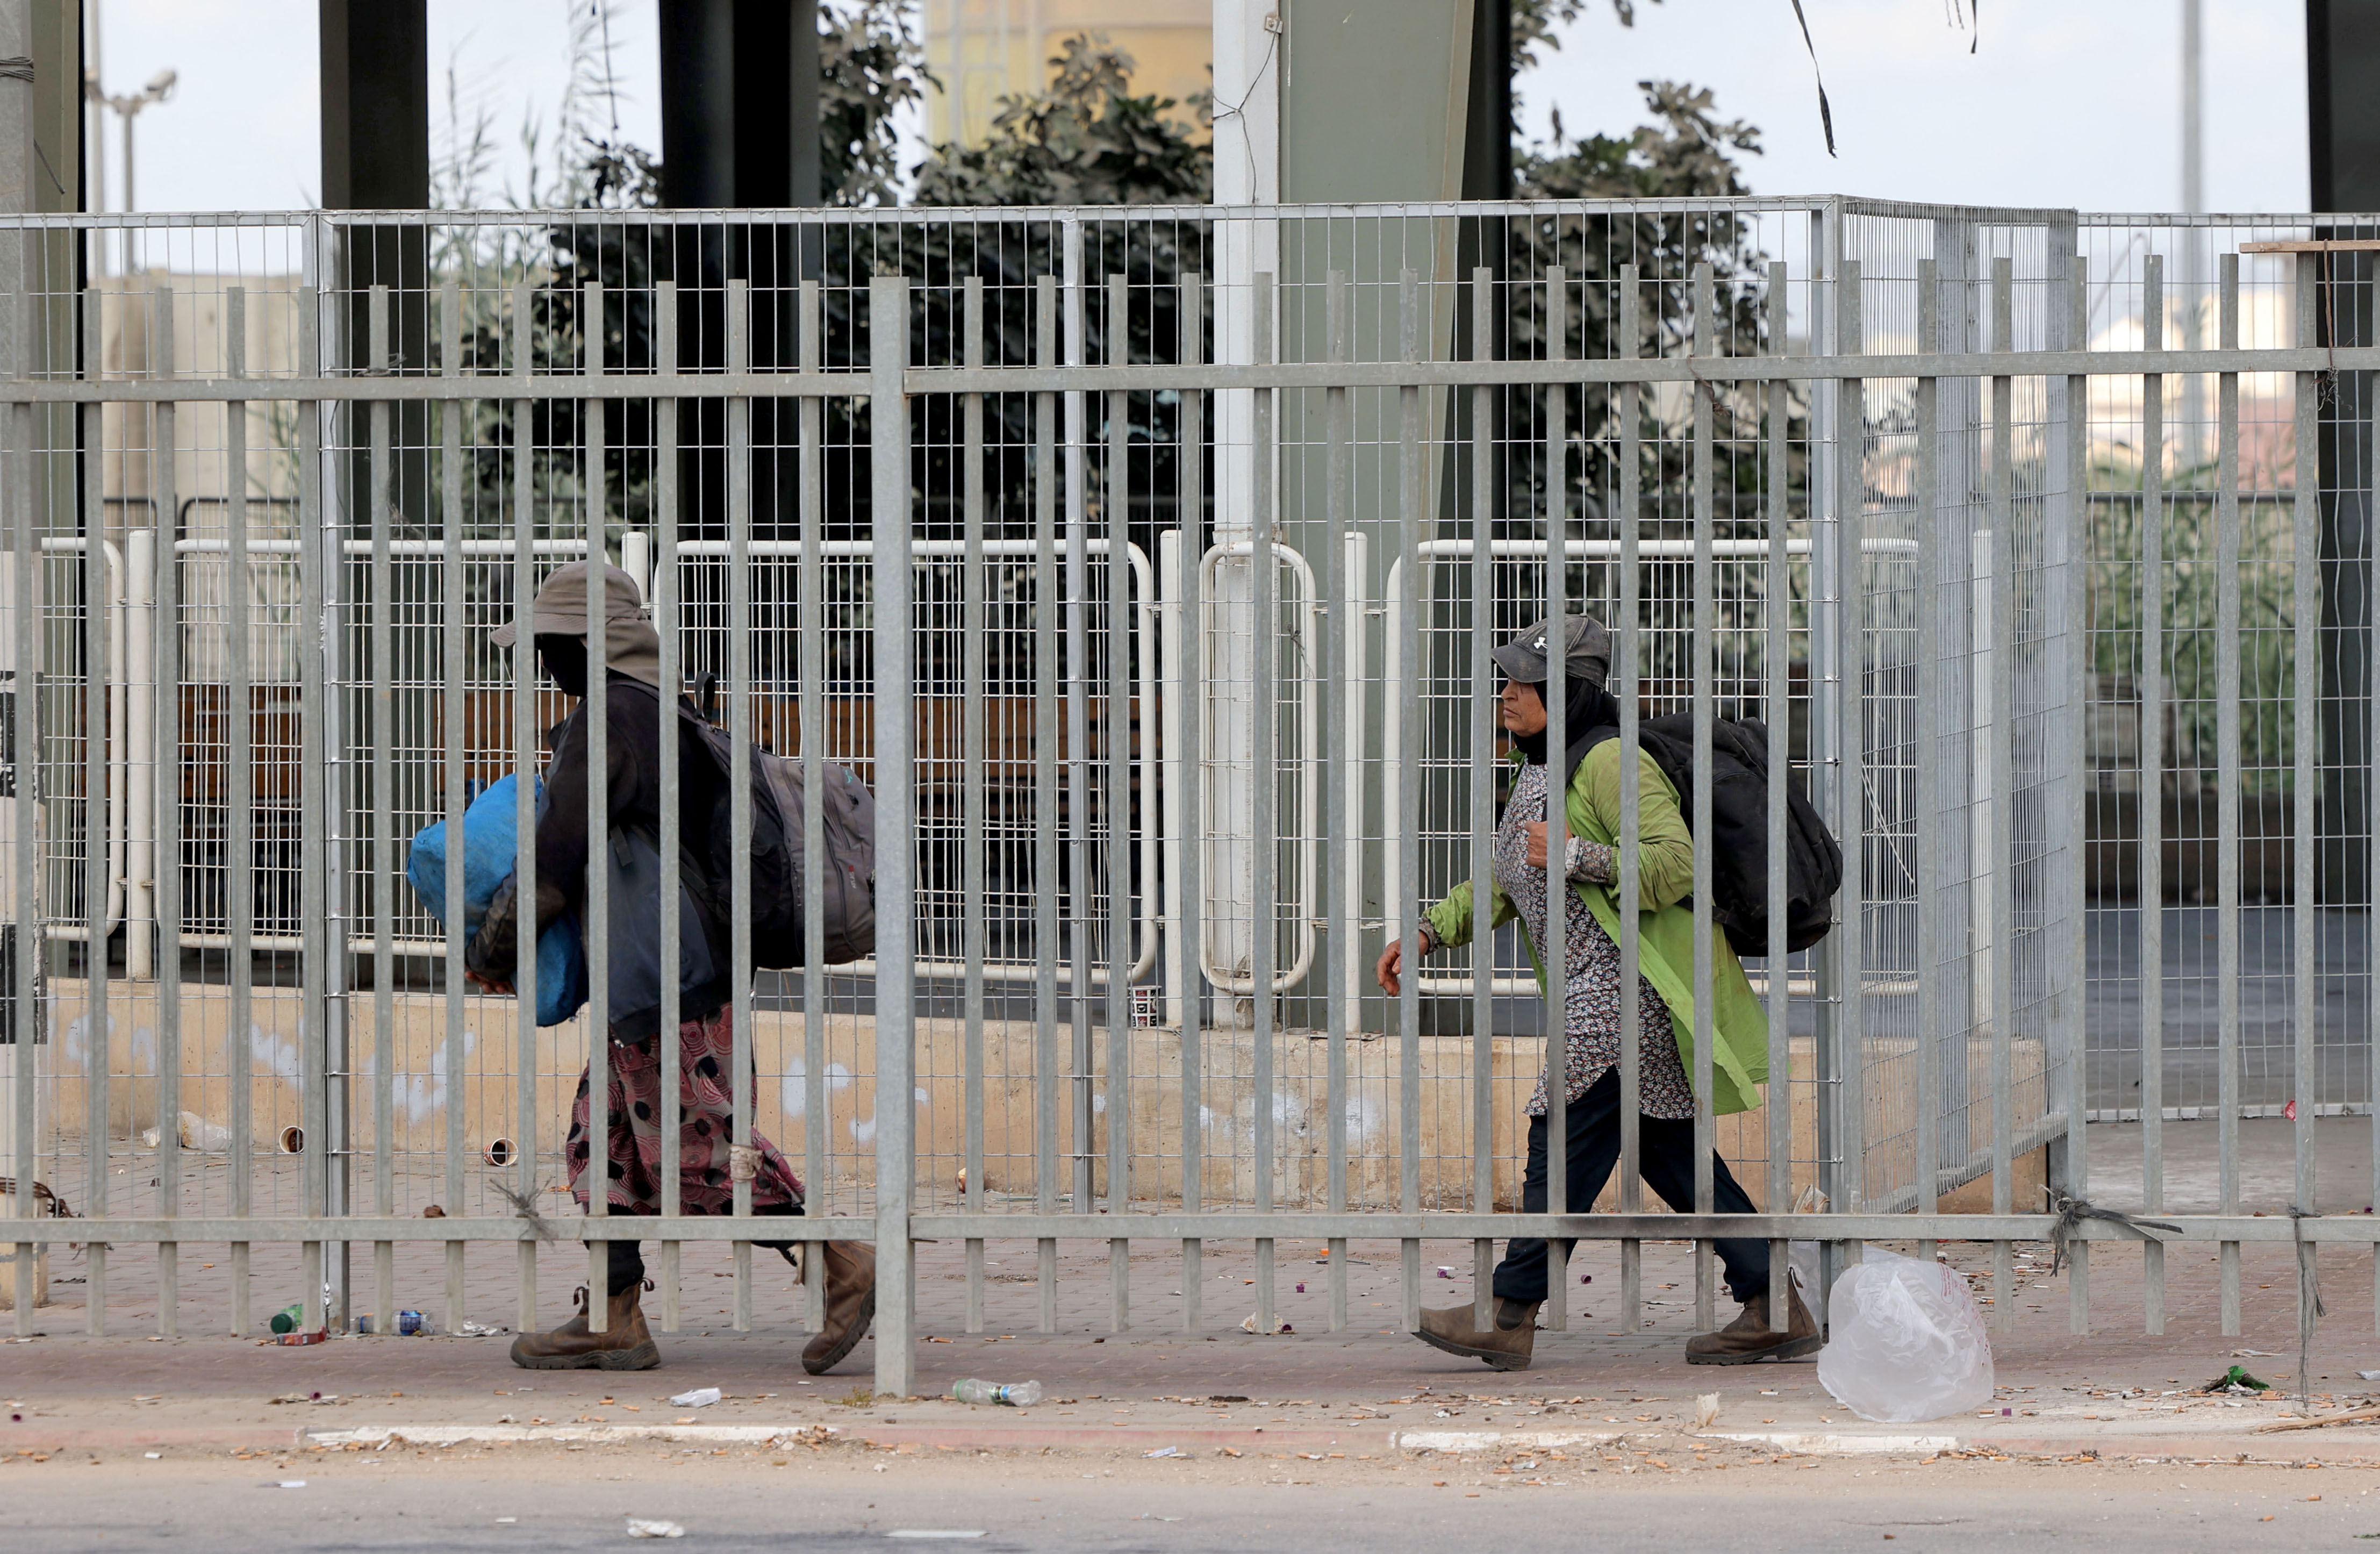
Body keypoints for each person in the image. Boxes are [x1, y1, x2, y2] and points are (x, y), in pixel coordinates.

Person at [465, 561, 877, 1374]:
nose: (544, 662)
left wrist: (493, 947)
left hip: (669, 982)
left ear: (588, 644)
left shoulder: (614, 717)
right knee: (602, 1146)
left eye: (551, 644)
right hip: (657, 976)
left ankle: (844, 1261)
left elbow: (556, 857)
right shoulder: (656, 710)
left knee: (700, 1153)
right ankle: (614, 1316)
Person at [1377, 613, 1813, 1371]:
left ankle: (1508, 1311)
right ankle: (1772, 1301)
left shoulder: (1611, 762)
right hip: (1592, 989)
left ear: (1568, 692)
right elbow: (1512, 875)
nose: (1507, 695)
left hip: (1626, 992)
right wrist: (1431, 930)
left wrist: (1578, 853)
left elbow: (1677, 864)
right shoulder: (1539, 766)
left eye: (1523, 683)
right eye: (1507, 680)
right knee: (1672, 1156)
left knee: (1563, 1139)